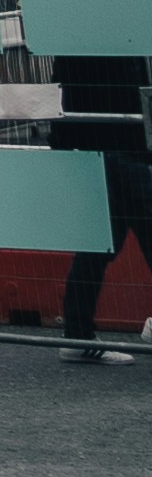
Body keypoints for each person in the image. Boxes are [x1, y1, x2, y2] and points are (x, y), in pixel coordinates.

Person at [51, 18, 152, 355]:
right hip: (130, 149)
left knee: (99, 245)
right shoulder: (120, 31)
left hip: (100, 150)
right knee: (108, 243)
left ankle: (78, 336)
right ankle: (79, 335)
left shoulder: (76, 33)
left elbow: (61, 94)